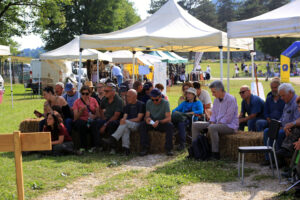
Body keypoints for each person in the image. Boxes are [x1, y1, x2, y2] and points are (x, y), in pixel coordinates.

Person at [192, 80, 238, 160]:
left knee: (212, 128)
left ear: (220, 90)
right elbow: (214, 114)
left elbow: (228, 117)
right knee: (195, 125)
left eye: (214, 92)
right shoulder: (216, 100)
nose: (212, 94)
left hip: (229, 125)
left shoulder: (231, 99)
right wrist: (212, 121)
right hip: (216, 124)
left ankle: (215, 153)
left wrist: (214, 124)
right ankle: (196, 150)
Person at [261, 83, 300, 166]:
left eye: (283, 96)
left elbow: (297, 120)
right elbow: (283, 117)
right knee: (267, 131)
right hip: (283, 126)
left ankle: (279, 161)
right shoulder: (287, 102)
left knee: (280, 134)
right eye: (281, 96)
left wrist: (287, 126)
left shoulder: (296, 102)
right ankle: (269, 158)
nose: (281, 98)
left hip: (292, 129)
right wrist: (278, 124)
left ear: (290, 93)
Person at [102, 89, 145, 155]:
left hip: (137, 125)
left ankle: (113, 138)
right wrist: (123, 120)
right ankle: (126, 149)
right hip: (128, 124)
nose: (127, 98)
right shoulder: (127, 106)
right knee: (125, 128)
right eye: (126, 96)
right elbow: (125, 117)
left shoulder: (141, 105)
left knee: (125, 123)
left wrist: (126, 121)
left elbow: (138, 119)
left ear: (135, 96)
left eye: (129, 96)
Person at [139, 88, 174, 156]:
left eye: (156, 99)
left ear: (160, 97)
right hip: (152, 122)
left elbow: (169, 118)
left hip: (161, 122)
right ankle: (144, 148)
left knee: (170, 126)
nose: (154, 101)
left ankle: (168, 149)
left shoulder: (165, 103)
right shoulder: (149, 102)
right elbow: (147, 115)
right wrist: (147, 119)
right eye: (153, 99)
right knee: (142, 125)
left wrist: (159, 121)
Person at [91, 83, 123, 151]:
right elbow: (100, 108)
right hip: (107, 118)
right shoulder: (105, 98)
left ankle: (113, 148)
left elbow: (116, 116)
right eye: (104, 90)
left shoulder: (119, 100)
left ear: (113, 92)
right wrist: (102, 118)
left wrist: (105, 125)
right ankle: (98, 145)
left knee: (112, 124)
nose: (104, 92)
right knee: (94, 123)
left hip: (116, 120)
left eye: (107, 91)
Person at [73, 85, 99, 151]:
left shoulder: (94, 100)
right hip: (82, 120)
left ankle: (95, 146)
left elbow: (98, 112)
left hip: (91, 120)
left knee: (95, 124)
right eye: (83, 93)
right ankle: (83, 146)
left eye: (87, 94)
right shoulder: (77, 102)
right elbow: (75, 117)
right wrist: (81, 111)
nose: (85, 95)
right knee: (80, 124)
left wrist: (95, 116)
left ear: (90, 94)